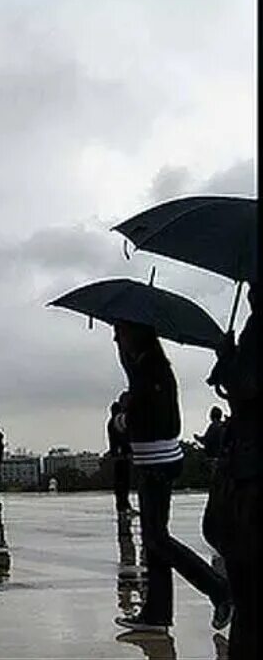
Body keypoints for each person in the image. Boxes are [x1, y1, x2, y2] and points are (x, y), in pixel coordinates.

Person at [110, 320, 232, 635]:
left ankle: (218, 590)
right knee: (154, 542)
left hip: (156, 461)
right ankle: (157, 612)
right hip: (156, 459)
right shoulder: (149, 367)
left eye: (120, 331)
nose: (116, 337)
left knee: (157, 539)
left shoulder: (150, 372)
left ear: (135, 335)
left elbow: (154, 416)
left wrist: (124, 420)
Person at [204, 282, 259, 659]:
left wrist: (229, 357)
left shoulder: (259, 328)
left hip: (254, 470)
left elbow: (249, 390)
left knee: (249, 590)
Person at [108, 394, 137, 516]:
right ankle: (123, 506)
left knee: (122, 481)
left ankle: (123, 505)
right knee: (123, 481)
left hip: (119, 454)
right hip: (121, 454)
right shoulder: (119, 419)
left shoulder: (115, 419)